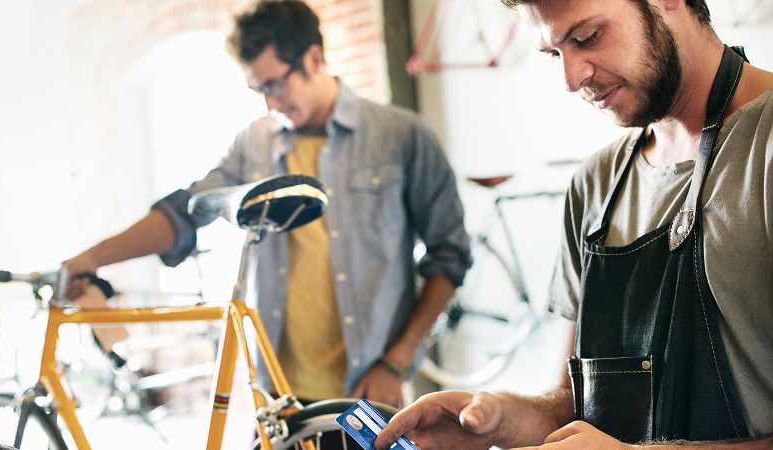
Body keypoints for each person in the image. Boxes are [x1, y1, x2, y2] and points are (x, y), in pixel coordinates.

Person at [375, 0, 773, 448]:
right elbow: (574, 403)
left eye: (586, 38)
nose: (570, 79)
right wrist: (498, 418)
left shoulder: (764, 147)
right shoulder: (596, 184)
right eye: (553, 53)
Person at [64, 0, 470, 409]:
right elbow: (188, 211)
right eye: (257, 90)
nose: (269, 104)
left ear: (314, 58)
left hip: (367, 390)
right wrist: (93, 258)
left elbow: (449, 256)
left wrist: (396, 364)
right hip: (278, 395)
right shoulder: (253, 143)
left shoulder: (401, 136)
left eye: (274, 85)